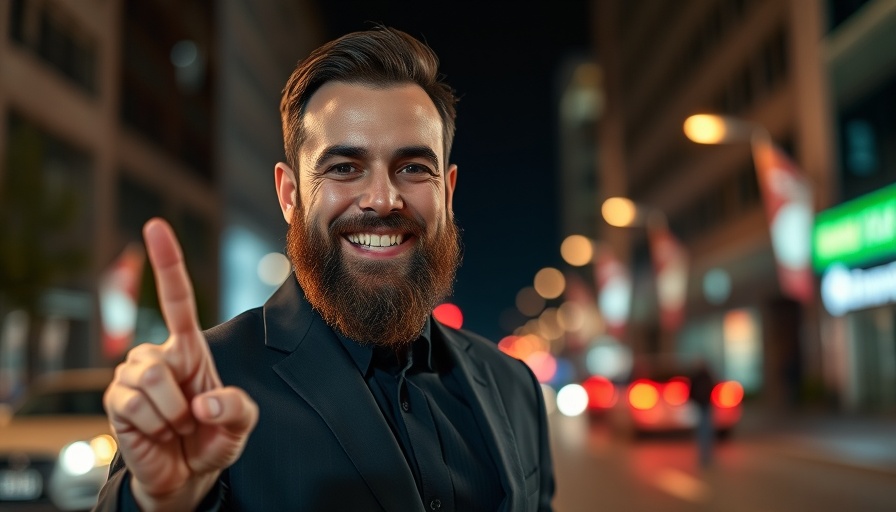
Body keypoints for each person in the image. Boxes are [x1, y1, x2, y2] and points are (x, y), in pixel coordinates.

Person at [94, 26, 555, 511]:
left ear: (449, 191)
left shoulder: (514, 386)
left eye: (414, 167)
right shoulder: (208, 385)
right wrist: (160, 501)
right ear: (289, 195)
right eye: (343, 168)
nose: (382, 199)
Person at [689, 359, 716, 468]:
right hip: (703, 404)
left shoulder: (699, 376)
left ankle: (706, 454)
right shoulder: (704, 375)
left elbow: (692, 390)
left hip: (703, 404)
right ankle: (705, 454)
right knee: (705, 429)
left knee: (704, 429)